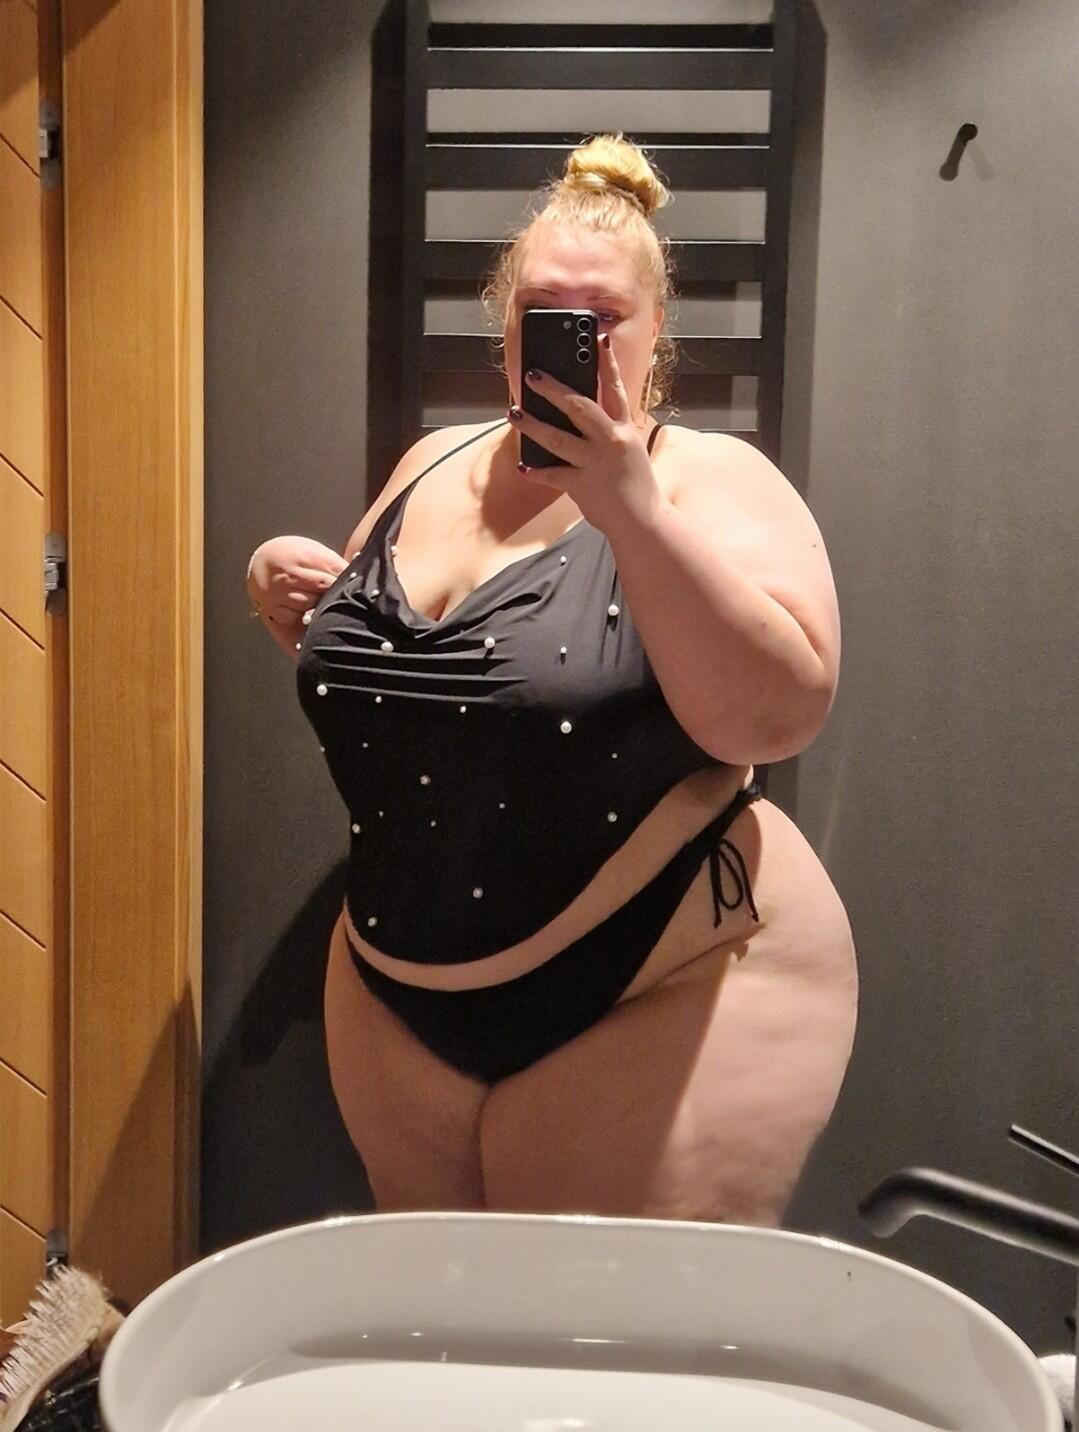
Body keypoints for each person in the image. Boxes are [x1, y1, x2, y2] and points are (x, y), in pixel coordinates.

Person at [245, 133, 858, 1224]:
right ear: (505, 324)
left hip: (661, 977)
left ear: (654, 332)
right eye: (542, 311)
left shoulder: (715, 480)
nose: (570, 337)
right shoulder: (430, 463)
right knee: (440, 1315)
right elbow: (434, 695)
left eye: (601, 317)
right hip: (390, 1007)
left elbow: (775, 714)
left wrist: (631, 511)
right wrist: (287, 591)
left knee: (594, 1325)